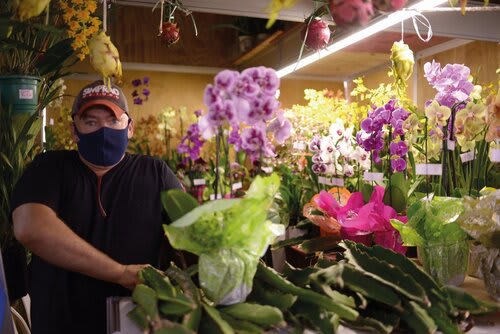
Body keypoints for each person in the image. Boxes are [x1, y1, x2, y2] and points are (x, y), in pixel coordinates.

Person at [10, 80, 183, 334]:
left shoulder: (156, 173)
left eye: (113, 121)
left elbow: (190, 235)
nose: (103, 130)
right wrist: (120, 273)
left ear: (130, 127)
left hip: (139, 324)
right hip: (62, 326)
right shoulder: (50, 167)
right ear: (74, 131)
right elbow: (31, 228)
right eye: (91, 122)